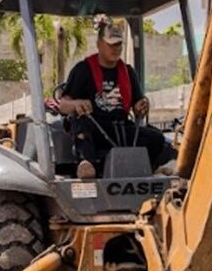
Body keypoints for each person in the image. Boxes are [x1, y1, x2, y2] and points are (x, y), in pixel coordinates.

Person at [57, 18, 168, 174]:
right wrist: (76, 104)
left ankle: (150, 168)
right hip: (94, 127)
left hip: (120, 128)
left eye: (119, 44)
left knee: (156, 138)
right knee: (81, 124)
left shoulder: (129, 72)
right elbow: (63, 105)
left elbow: (137, 104)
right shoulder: (83, 70)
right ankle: (87, 164)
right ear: (99, 44)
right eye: (111, 44)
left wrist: (141, 105)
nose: (116, 49)